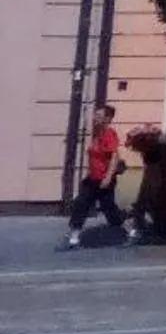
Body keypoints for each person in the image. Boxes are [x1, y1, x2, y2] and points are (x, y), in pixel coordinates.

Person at [65, 104, 131, 248]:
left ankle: (128, 229)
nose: (95, 118)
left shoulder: (109, 134)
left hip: (104, 179)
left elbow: (114, 156)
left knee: (109, 208)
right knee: (81, 203)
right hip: (93, 178)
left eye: (99, 116)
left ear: (107, 118)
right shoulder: (97, 134)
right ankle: (75, 233)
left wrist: (108, 177)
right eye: (95, 115)